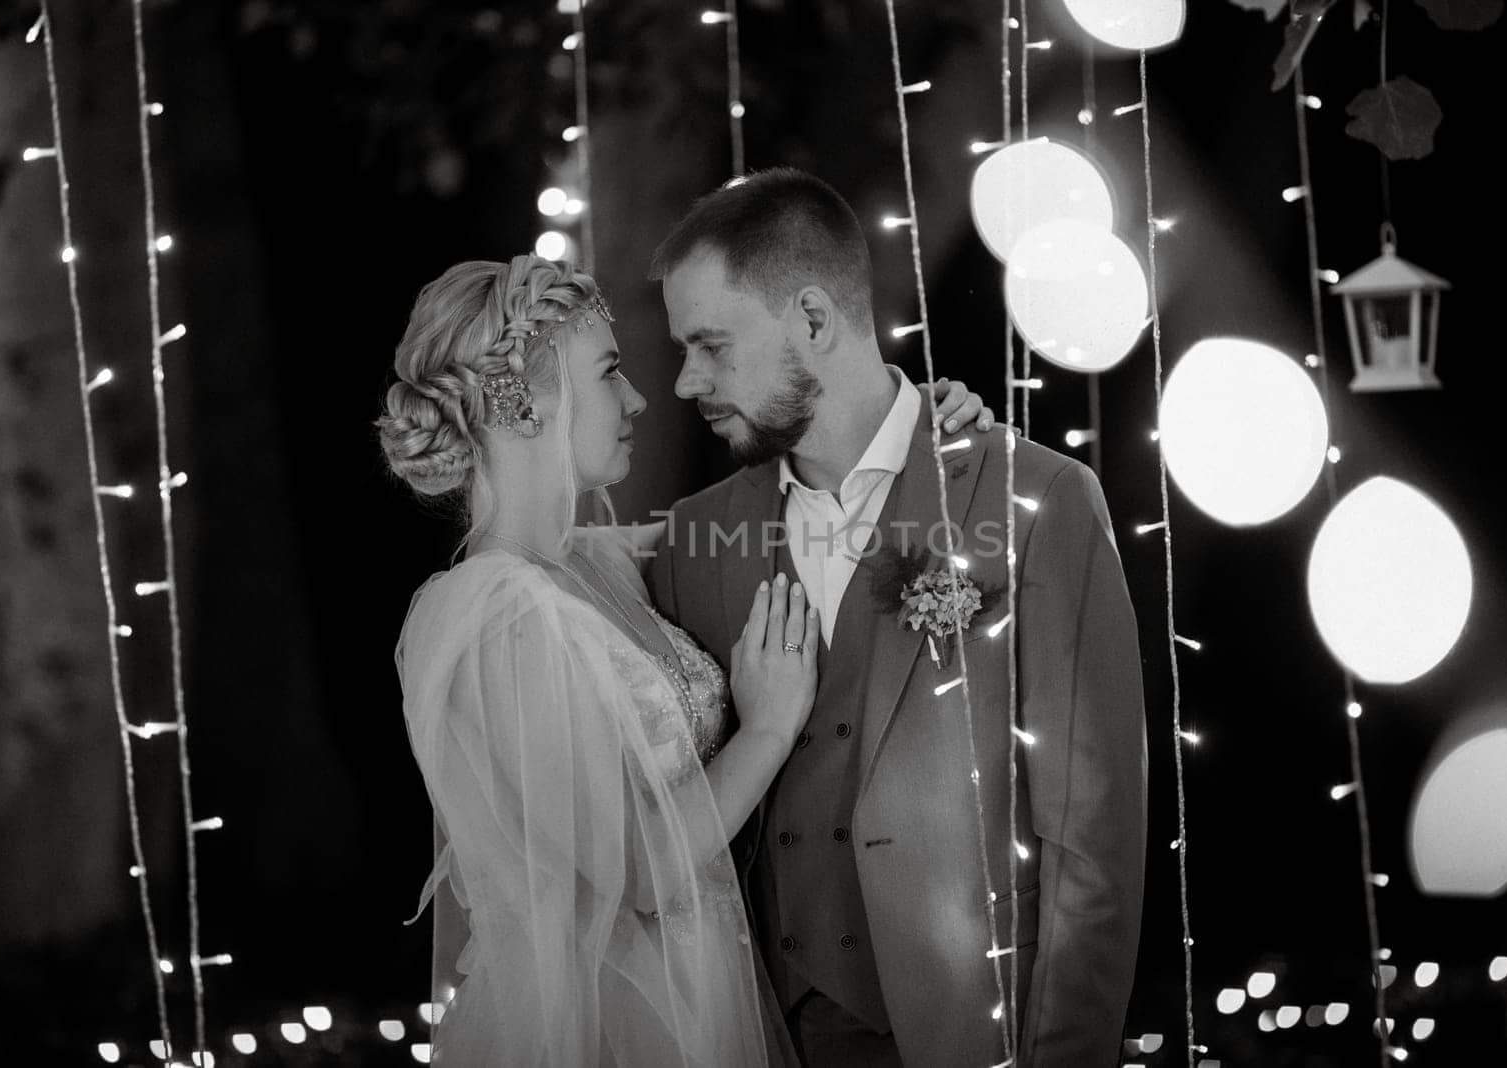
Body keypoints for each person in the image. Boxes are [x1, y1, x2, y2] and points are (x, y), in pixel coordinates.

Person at [378, 254, 993, 1065]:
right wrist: (768, 730)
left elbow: (796, 515)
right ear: (522, 400)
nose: (638, 398)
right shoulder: (497, 619)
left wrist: (914, 429)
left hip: (701, 986)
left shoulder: (594, 561)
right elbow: (637, 869)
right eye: (609, 372)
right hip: (608, 1020)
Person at [645, 168, 1148, 1067]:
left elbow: (1091, 845)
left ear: (811, 318)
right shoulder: (694, 540)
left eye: (712, 345)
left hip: (966, 1035)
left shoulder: (1035, 501)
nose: (687, 381)